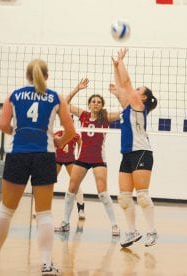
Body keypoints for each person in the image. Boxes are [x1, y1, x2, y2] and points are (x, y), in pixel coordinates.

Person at [0, 59, 75, 275]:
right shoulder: (55, 97)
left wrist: (19, 133)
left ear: (27, 75)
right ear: (47, 75)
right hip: (45, 156)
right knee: (44, 213)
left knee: (5, 210)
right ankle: (46, 264)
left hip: (18, 155)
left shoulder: (14, 95)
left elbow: (3, 125)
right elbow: (70, 130)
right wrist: (58, 142)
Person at [55, 78, 120, 236]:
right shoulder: (83, 115)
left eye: (99, 101)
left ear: (101, 105)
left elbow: (125, 111)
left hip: (98, 159)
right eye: (93, 101)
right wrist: (77, 88)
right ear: (89, 104)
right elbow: (64, 104)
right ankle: (65, 222)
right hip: (82, 158)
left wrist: (118, 94)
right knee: (71, 189)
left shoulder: (106, 117)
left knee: (102, 192)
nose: (96, 103)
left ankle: (114, 226)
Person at [110, 48, 158, 248]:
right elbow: (122, 87)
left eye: (140, 90)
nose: (135, 91)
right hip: (127, 154)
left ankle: (152, 231)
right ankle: (131, 231)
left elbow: (126, 84)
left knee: (143, 195)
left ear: (144, 97)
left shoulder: (138, 104)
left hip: (141, 152)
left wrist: (121, 61)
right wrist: (115, 66)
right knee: (123, 197)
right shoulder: (128, 106)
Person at [55, 128, 86, 219]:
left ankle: (81, 209)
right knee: (49, 182)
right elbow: (51, 145)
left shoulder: (75, 135)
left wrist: (79, 157)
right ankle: (40, 210)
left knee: (76, 184)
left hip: (70, 161)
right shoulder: (57, 133)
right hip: (57, 160)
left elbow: (81, 146)